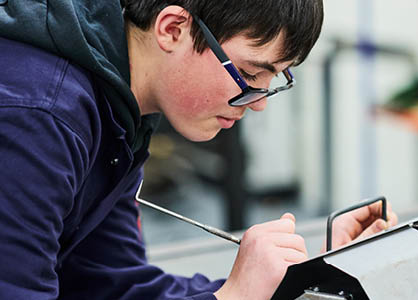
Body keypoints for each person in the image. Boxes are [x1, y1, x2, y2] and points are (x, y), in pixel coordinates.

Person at [0, 1, 398, 299]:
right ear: (172, 28)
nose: (258, 102)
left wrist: (304, 278)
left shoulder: (120, 105)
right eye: (247, 74)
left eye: (272, 79)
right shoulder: (41, 117)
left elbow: (110, 284)